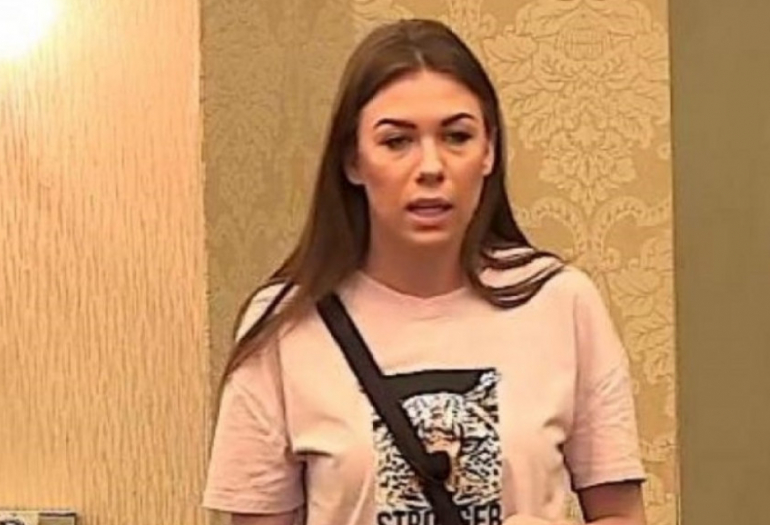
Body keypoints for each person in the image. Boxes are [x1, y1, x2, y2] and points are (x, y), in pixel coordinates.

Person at [202, 18, 647, 525]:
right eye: (397, 142)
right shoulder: (286, 326)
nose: (431, 167)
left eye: (457, 136)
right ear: (353, 160)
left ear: (489, 151)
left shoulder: (561, 303)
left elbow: (621, 514)